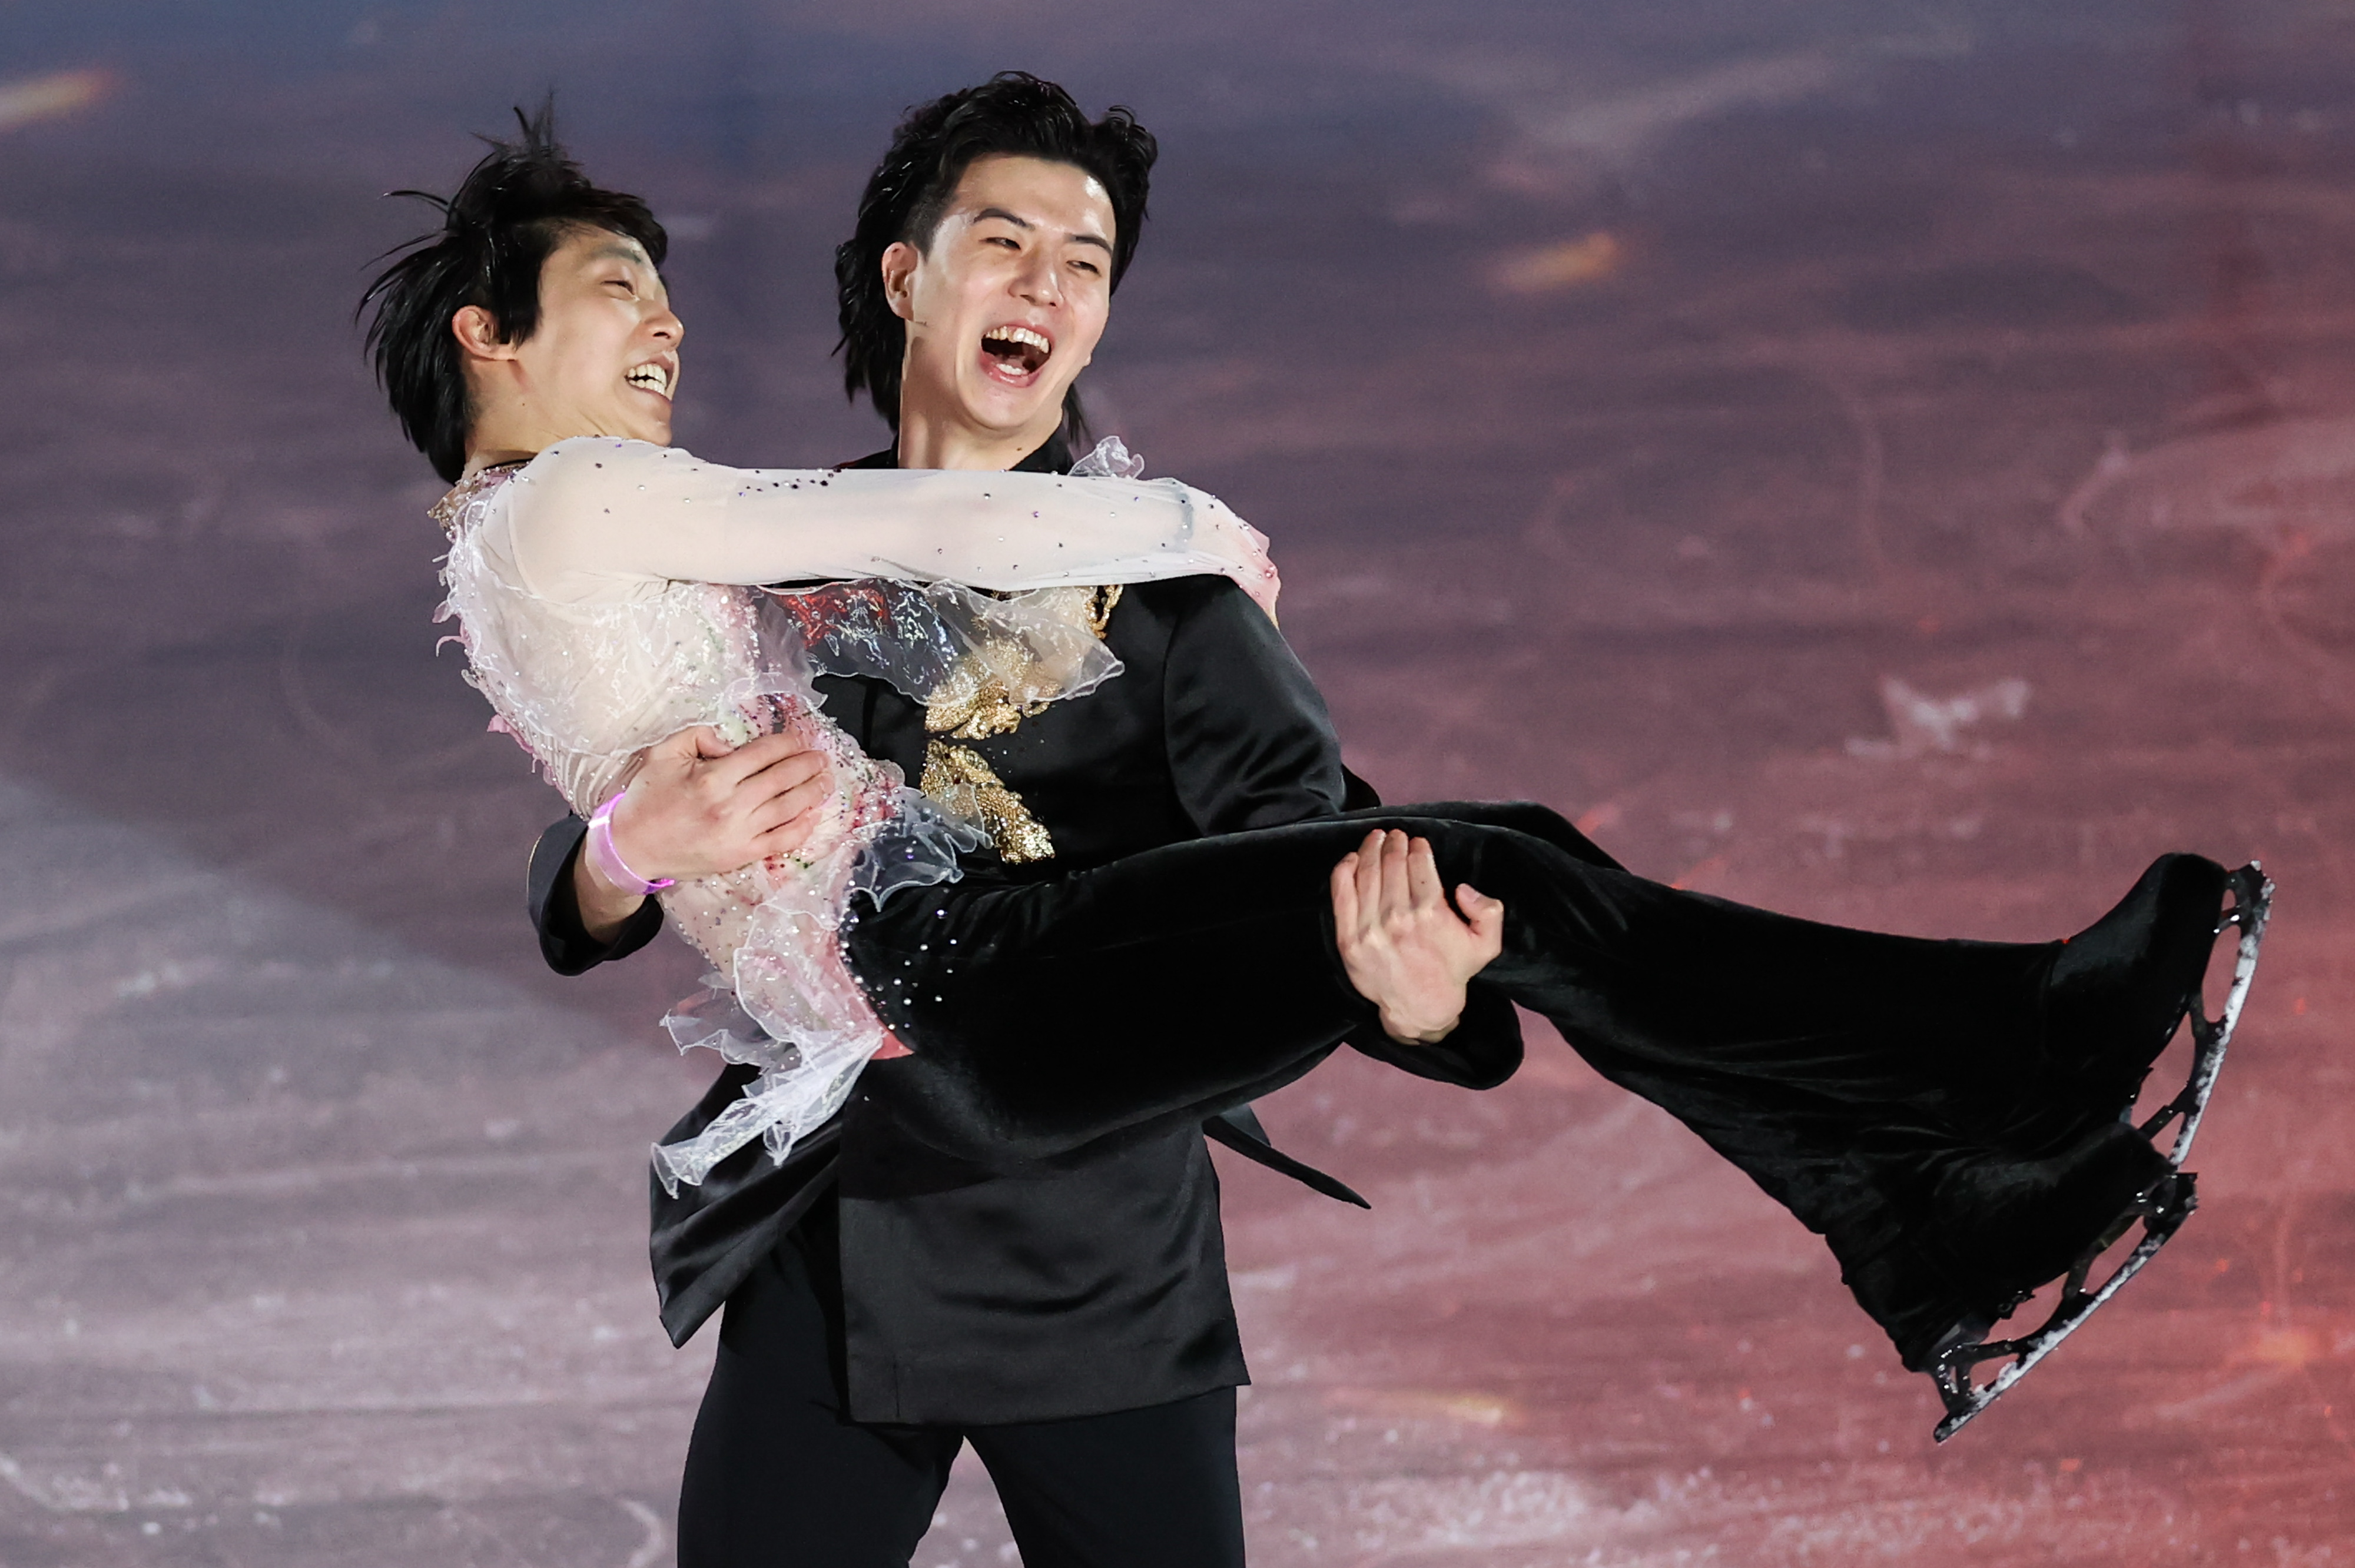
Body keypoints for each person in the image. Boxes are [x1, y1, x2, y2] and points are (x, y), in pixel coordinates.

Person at [380, 95, 2244, 1567]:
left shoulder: (1184, 613)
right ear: (901, 279)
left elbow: (1337, 883)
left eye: (1085, 259)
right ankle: (1983, 1112)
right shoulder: (777, 544)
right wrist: (623, 842)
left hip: (1090, 1265)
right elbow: (605, 843)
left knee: (1500, 862)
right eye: (1001, 241)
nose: (1042, 286)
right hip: (846, 1236)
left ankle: (1969, 1129)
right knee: (1512, 851)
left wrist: (1426, 996)